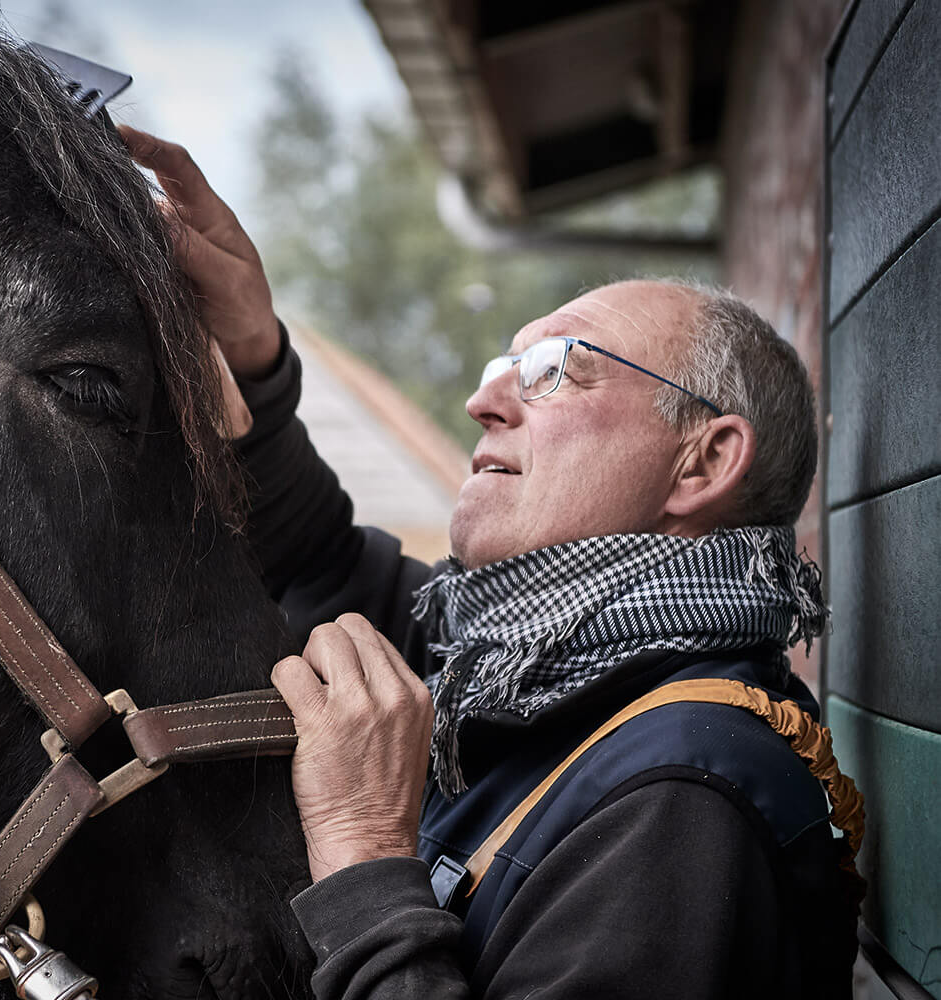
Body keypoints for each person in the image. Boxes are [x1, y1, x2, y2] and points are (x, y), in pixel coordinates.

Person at [120, 125, 862, 999]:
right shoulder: (522, 673)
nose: (483, 401)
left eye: (554, 370)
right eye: (501, 364)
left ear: (702, 462)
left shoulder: (685, 795)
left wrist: (362, 852)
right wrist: (254, 353)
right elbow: (318, 556)